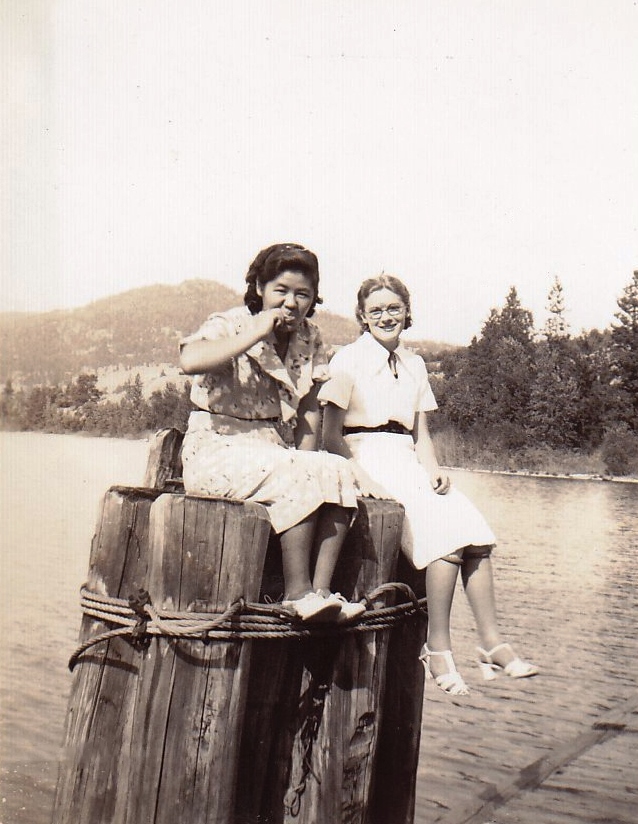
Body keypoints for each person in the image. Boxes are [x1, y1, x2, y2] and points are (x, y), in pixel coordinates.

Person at [320, 274, 538, 694]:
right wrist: (359, 475)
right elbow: (331, 437)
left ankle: (491, 642)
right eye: (377, 310)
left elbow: (420, 432)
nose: (386, 317)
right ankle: (438, 646)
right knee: (445, 542)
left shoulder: (415, 364)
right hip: (365, 455)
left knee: (476, 536)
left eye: (394, 308)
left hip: (406, 459)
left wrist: (433, 466)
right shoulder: (346, 359)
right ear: (363, 317)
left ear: (407, 312)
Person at [179, 242, 364, 624]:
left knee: (339, 471)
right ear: (260, 287)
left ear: (313, 298)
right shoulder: (230, 323)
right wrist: (255, 331)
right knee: (296, 472)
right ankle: (296, 595)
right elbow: (189, 360)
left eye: (302, 294)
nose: (291, 303)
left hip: (270, 446)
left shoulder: (309, 337)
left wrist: (310, 457)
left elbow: (310, 406)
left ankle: (322, 593)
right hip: (217, 447)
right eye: (281, 291)